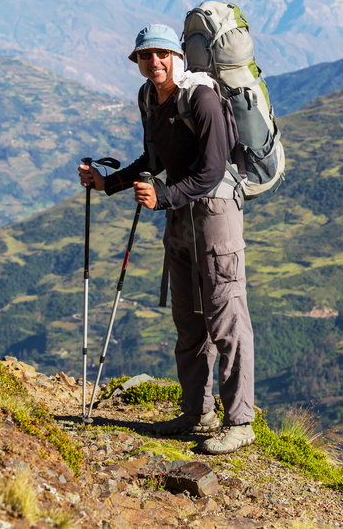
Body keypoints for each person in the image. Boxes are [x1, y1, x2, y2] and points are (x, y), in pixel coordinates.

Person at [78, 24, 256, 455]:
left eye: (161, 54)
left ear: (177, 56)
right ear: (137, 62)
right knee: (189, 317)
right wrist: (109, 184)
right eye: (145, 56)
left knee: (226, 317)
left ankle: (241, 422)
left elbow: (213, 169)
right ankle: (198, 412)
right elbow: (152, 159)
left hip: (215, 216)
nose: (153, 62)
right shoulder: (148, 98)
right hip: (178, 214)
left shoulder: (203, 99)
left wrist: (163, 197)